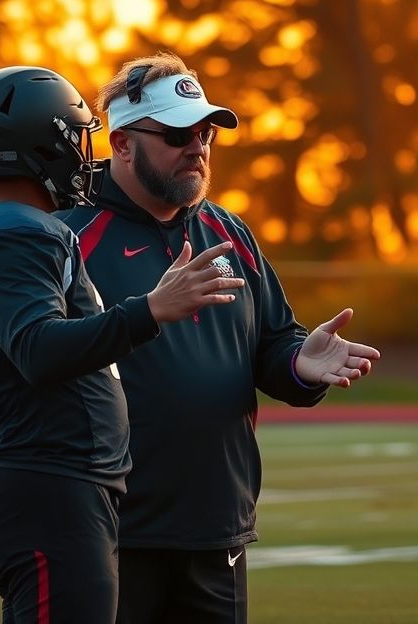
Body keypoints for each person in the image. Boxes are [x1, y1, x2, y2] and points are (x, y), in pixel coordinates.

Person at [55, 52, 382, 624]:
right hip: (107, 529)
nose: (198, 147)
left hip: (215, 526)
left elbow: (275, 347)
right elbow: (41, 354)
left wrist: (302, 366)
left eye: (205, 132)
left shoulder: (228, 232)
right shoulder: (67, 238)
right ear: (124, 142)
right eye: (179, 133)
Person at [0, 65, 246, 623]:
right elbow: (38, 348)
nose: (85, 157)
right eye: (75, 138)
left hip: (60, 490)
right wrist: (152, 310)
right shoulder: (15, 229)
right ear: (43, 145)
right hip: (48, 490)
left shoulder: (21, 225)